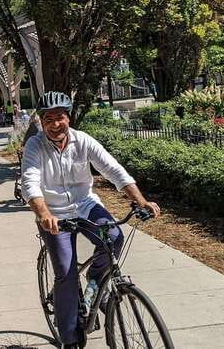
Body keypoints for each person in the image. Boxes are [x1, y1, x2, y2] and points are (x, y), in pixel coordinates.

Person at [21, 91, 161, 349]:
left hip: (85, 205)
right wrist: (43, 214)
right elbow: (30, 182)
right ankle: (70, 338)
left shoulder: (83, 140)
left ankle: (97, 282)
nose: (54, 124)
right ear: (41, 121)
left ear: (68, 117)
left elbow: (112, 168)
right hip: (55, 214)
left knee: (115, 237)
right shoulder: (35, 145)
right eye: (48, 119)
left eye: (59, 117)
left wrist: (140, 200)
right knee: (66, 273)